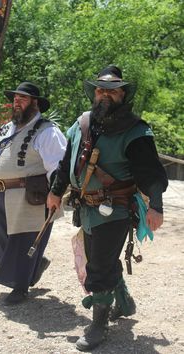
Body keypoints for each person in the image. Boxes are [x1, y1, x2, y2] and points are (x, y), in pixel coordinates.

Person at [47, 65, 168, 351]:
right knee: (98, 257)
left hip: (116, 208)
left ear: (122, 95)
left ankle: (98, 324)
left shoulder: (136, 131)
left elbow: (151, 173)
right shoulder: (82, 124)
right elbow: (67, 163)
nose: (105, 95)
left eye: (112, 91)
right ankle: (123, 302)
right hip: (85, 207)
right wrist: (54, 191)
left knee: (98, 265)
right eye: (101, 89)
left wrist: (156, 207)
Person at [0, 81, 67, 305]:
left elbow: (59, 165)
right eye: (15, 98)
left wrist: (56, 193)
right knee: (0, 237)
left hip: (30, 197)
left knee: (23, 242)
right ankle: (33, 268)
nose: (17, 102)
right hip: (0, 194)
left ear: (35, 104)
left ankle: (20, 287)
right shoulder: (7, 128)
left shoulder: (47, 131)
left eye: (22, 99)